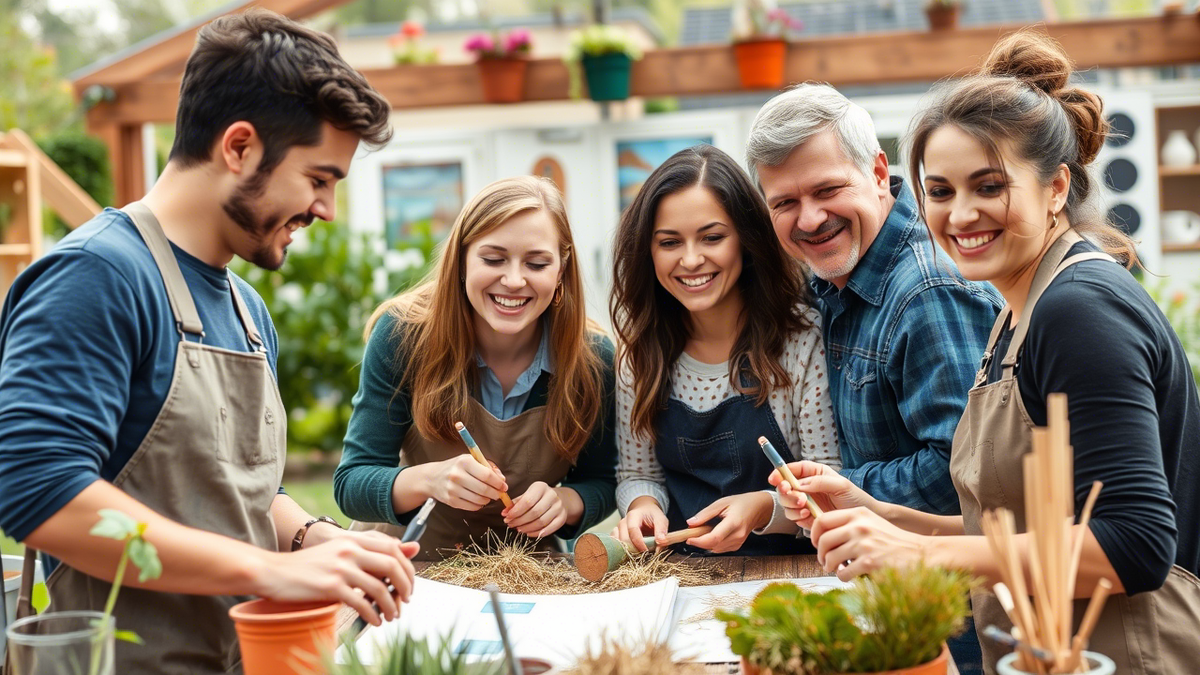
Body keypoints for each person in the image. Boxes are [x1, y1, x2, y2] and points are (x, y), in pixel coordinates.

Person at [0, 10, 417, 674]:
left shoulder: (247, 309)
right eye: (319, 178)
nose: (326, 210)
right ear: (240, 146)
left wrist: (314, 539)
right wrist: (267, 571)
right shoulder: (98, 277)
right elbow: (37, 490)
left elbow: (236, 494)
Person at [771, 31, 1200, 675]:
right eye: (939, 191)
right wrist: (878, 514)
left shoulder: (1080, 309)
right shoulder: (1017, 307)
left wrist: (917, 553)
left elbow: (1134, 544)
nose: (960, 213)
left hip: (1130, 655)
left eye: (988, 185)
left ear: (1056, 187)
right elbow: (1015, 530)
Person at [746, 83, 1003, 674]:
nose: (809, 218)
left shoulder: (928, 292)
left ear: (879, 172)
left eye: (828, 189)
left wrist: (840, 485)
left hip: (954, 615)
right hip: (898, 593)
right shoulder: (837, 275)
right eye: (784, 202)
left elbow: (958, 474)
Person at [334, 176, 616, 558]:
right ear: (462, 261)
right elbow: (352, 483)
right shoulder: (402, 336)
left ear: (561, 270)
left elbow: (603, 480)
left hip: (530, 571)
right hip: (408, 565)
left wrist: (567, 502)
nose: (514, 280)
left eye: (536, 263)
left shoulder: (593, 359)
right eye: (493, 259)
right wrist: (429, 479)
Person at [608, 144, 839, 557]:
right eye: (669, 242)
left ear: (746, 241)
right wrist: (642, 506)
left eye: (712, 237)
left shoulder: (801, 342)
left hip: (794, 582)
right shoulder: (637, 357)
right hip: (680, 582)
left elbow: (832, 486)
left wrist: (763, 509)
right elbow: (637, 473)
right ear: (648, 250)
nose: (692, 259)